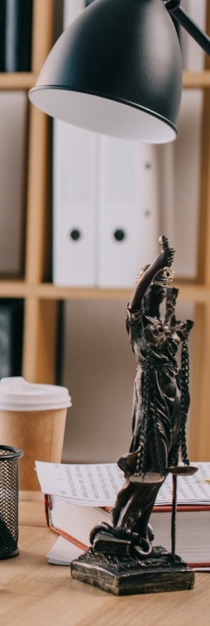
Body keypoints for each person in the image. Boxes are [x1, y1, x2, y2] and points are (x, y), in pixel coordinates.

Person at [91, 237, 192, 556]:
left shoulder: (161, 326)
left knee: (158, 470)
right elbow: (134, 299)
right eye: (156, 291)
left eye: (163, 293)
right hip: (150, 395)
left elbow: (172, 350)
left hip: (170, 396)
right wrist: (159, 263)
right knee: (151, 465)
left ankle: (131, 524)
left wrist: (180, 335)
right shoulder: (137, 321)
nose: (160, 296)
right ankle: (123, 528)